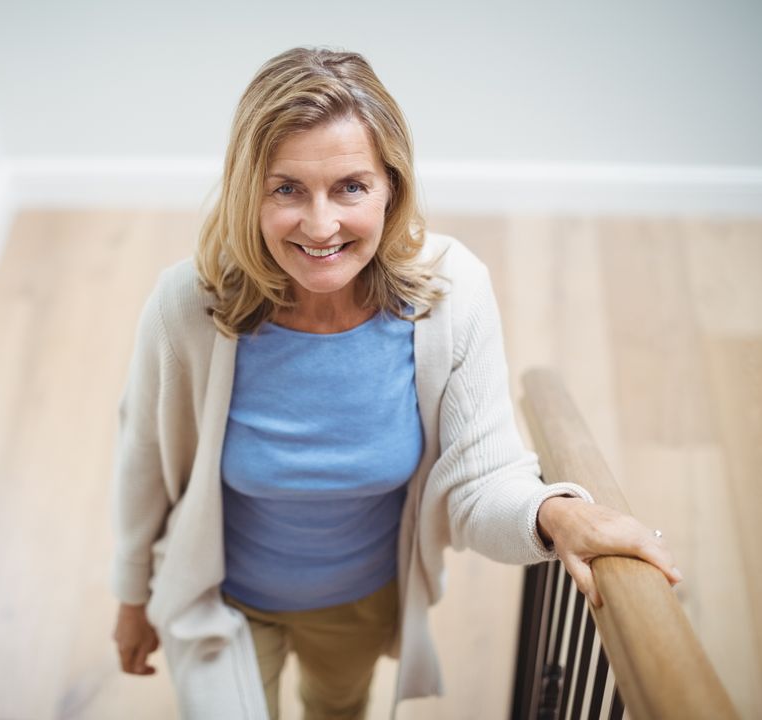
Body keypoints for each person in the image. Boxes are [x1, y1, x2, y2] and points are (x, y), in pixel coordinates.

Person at [110, 47, 681, 720]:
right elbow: (142, 462)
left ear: (392, 187)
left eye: (350, 186)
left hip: (361, 601)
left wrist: (557, 514)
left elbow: (480, 477)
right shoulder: (188, 306)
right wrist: (131, 596)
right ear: (248, 191)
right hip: (220, 598)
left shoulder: (452, 293)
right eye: (286, 188)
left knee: (339, 709)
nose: (320, 225)